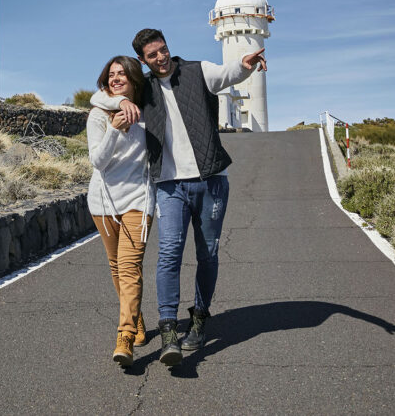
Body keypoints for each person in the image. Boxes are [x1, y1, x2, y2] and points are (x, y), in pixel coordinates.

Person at [91, 28, 266, 366]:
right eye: (152, 55)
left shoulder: (197, 71)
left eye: (163, 50)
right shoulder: (144, 89)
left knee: (208, 254)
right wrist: (123, 101)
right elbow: (102, 95)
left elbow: (226, 73)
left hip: (211, 180)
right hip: (169, 186)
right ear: (143, 60)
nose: (161, 58)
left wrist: (244, 66)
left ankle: (199, 318)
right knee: (169, 253)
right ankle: (169, 327)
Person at [86, 55, 155, 368]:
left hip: (138, 201)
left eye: (122, 75)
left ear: (134, 79)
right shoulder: (98, 115)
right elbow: (98, 162)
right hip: (103, 204)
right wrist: (114, 127)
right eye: (111, 75)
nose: (115, 79)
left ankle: (124, 337)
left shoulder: (149, 113)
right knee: (116, 266)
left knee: (129, 267)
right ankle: (136, 318)